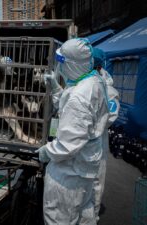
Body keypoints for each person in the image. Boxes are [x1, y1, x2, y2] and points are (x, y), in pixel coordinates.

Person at [38, 38, 110, 225]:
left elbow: (68, 144)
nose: (60, 68)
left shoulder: (80, 95)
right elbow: (71, 109)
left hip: (69, 175)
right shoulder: (93, 81)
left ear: (73, 64)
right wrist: (56, 89)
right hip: (84, 170)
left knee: (59, 219)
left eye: (62, 63)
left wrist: (48, 151)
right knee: (84, 215)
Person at [92, 48, 120, 221]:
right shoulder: (81, 83)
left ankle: (92, 217)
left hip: (96, 146)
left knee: (95, 184)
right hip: (78, 146)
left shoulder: (109, 91)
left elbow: (109, 118)